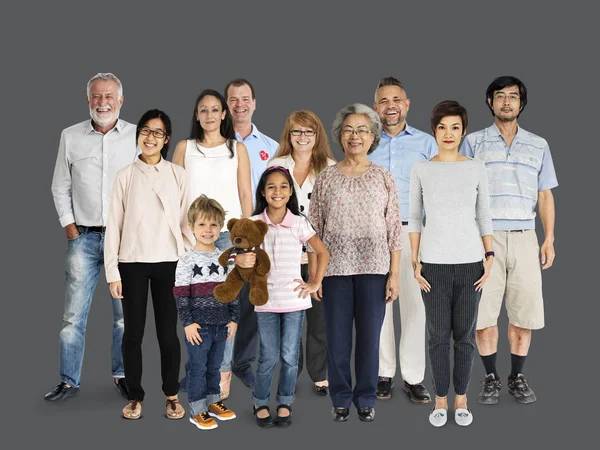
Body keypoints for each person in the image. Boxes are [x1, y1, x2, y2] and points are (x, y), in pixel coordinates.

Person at [460, 76, 558, 405]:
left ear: (521, 103)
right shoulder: (473, 143)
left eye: (513, 97)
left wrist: (549, 239)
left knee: (523, 313)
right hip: (483, 240)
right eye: (499, 96)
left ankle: (517, 376)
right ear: (489, 101)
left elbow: (545, 196)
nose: (506, 102)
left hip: (526, 238)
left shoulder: (539, 144)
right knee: (484, 314)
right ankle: (491, 378)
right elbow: (462, 193)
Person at [47, 73, 137, 402]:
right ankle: (68, 380)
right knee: (72, 316)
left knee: (125, 316)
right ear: (88, 100)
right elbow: (60, 184)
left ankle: (122, 376)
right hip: (82, 238)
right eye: (97, 96)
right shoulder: (70, 136)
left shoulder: (137, 136)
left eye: (109, 96)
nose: (103, 102)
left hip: (124, 241)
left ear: (121, 100)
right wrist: (69, 225)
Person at [309, 104, 402, 423]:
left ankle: (365, 398)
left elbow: (393, 229)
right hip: (333, 272)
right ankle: (340, 398)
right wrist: (314, 276)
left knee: (368, 340)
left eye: (362, 130)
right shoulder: (326, 177)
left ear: (373, 136)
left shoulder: (383, 177)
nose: (355, 135)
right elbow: (314, 230)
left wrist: (395, 274)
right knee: (336, 339)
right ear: (339, 135)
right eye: (348, 129)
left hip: (375, 271)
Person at [409, 100, 493, 427]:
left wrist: (489, 256)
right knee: (438, 336)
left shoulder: (475, 167)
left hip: (471, 264)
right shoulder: (422, 169)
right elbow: (415, 216)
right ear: (434, 130)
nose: (448, 133)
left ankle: (462, 397)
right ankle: (440, 399)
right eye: (442, 127)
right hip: (433, 265)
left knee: (465, 336)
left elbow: (483, 214)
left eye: (455, 127)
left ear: (463, 131)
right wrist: (415, 262)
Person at [104, 109, 193, 419]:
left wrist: (189, 262)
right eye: (146, 130)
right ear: (138, 135)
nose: (150, 137)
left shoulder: (178, 175)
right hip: (132, 263)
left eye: (158, 132)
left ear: (166, 139)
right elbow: (113, 225)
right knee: (133, 333)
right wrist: (112, 271)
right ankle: (135, 396)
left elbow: (186, 223)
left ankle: (171, 394)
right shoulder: (124, 176)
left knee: (168, 334)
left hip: (170, 262)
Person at [173, 89, 253, 399]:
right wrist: (180, 234)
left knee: (225, 307)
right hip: (192, 235)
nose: (209, 114)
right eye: (202, 109)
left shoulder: (237, 149)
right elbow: (174, 193)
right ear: (196, 115)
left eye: (215, 109)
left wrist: (247, 242)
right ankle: (195, 370)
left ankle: (221, 376)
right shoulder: (184, 148)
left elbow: (245, 194)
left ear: (224, 114)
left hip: (227, 238)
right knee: (193, 305)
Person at [236, 166, 328, 428]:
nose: (278, 191)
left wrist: (315, 282)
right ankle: (260, 401)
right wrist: (240, 258)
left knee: (290, 355)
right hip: (265, 301)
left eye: (283, 186)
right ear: (263, 193)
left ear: (290, 192)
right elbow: (239, 258)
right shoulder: (254, 223)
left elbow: (322, 252)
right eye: (271, 187)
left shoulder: (299, 222)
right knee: (268, 355)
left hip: (294, 301)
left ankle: (285, 400)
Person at [369, 77, 436, 402]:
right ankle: (384, 373)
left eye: (396, 99)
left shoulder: (427, 144)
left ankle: (413, 377)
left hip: (414, 233)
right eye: (384, 100)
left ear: (407, 104)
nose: (390, 106)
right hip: (374, 235)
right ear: (375, 107)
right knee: (379, 305)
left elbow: (439, 190)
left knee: (415, 306)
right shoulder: (365, 142)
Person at [268, 110, 336, 396]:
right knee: (289, 320)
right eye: (297, 131)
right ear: (289, 135)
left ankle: (320, 374)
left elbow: (334, 216)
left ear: (317, 135)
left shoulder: (330, 168)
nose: (303, 137)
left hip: (318, 255)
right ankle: (290, 373)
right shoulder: (276, 164)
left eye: (309, 132)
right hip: (285, 255)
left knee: (319, 320)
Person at [224, 78, 279, 391]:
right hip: (220, 232)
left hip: (258, 236)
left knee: (248, 303)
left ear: (254, 103)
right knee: (217, 298)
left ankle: (240, 362)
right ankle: (208, 364)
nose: (240, 105)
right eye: (233, 99)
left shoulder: (269, 148)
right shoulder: (215, 142)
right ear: (227, 104)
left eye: (245, 99)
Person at [174, 195, 240, 431]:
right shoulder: (186, 261)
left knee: (215, 367)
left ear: (221, 226)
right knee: (198, 368)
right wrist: (188, 323)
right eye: (202, 224)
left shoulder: (226, 259)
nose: (208, 229)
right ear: (191, 227)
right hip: (198, 328)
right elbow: (181, 295)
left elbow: (232, 291)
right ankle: (197, 409)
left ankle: (213, 402)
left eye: (213, 224)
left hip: (221, 325)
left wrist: (233, 319)